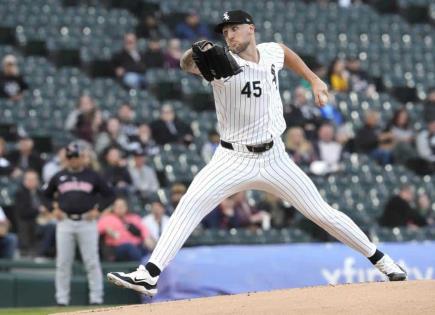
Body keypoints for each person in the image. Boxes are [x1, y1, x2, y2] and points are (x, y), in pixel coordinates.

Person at [108, 10, 406, 296]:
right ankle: (149, 275)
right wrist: (194, 52)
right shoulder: (220, 65)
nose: (229, 35)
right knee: (190, 204)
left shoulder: (270, 51)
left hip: (275, 157)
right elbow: (188, 65)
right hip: (232, 158)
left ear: (251, 28)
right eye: (224, 32)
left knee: (322, 213)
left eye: (234, 28)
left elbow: (285, 52)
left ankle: (383, 262)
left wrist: (314, 79)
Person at [43, 142, 115, 306]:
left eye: (76, 156)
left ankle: (96, 299)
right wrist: (52, 209)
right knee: (63, 262)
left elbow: (110, 195)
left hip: (86, 222)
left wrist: (99, 210)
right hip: (65, 222)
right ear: (66, 158)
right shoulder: (59, 176)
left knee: (91, 261)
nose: (73, 160)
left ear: (82, 157)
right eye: (70, 157)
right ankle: (62, 300)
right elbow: (45, 195)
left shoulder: (93, 176)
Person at [98, 198, 153, 262]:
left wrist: (146, 237)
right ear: (113, 207)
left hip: (137, 246)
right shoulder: (107, 218)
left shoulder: (133, 217)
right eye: (118, 206)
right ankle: (142, 265)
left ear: (126, 207)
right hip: (117, 249)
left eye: (122, 205)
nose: (120, 208)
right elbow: (98, 229)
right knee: (129, 247)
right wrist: (108, 230)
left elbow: (143, 228)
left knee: (147, 247)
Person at [14, 170, 47, 257]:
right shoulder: (20, 193)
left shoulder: (40, 193)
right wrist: (38, 210)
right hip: (28, 218)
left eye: (34, 179)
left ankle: (45, 252)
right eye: (29, 179)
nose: (32, 182)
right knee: (27, 224)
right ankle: (28, 251)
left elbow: (47, 205)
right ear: (24, 181)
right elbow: (23, 212)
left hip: (44, 218)